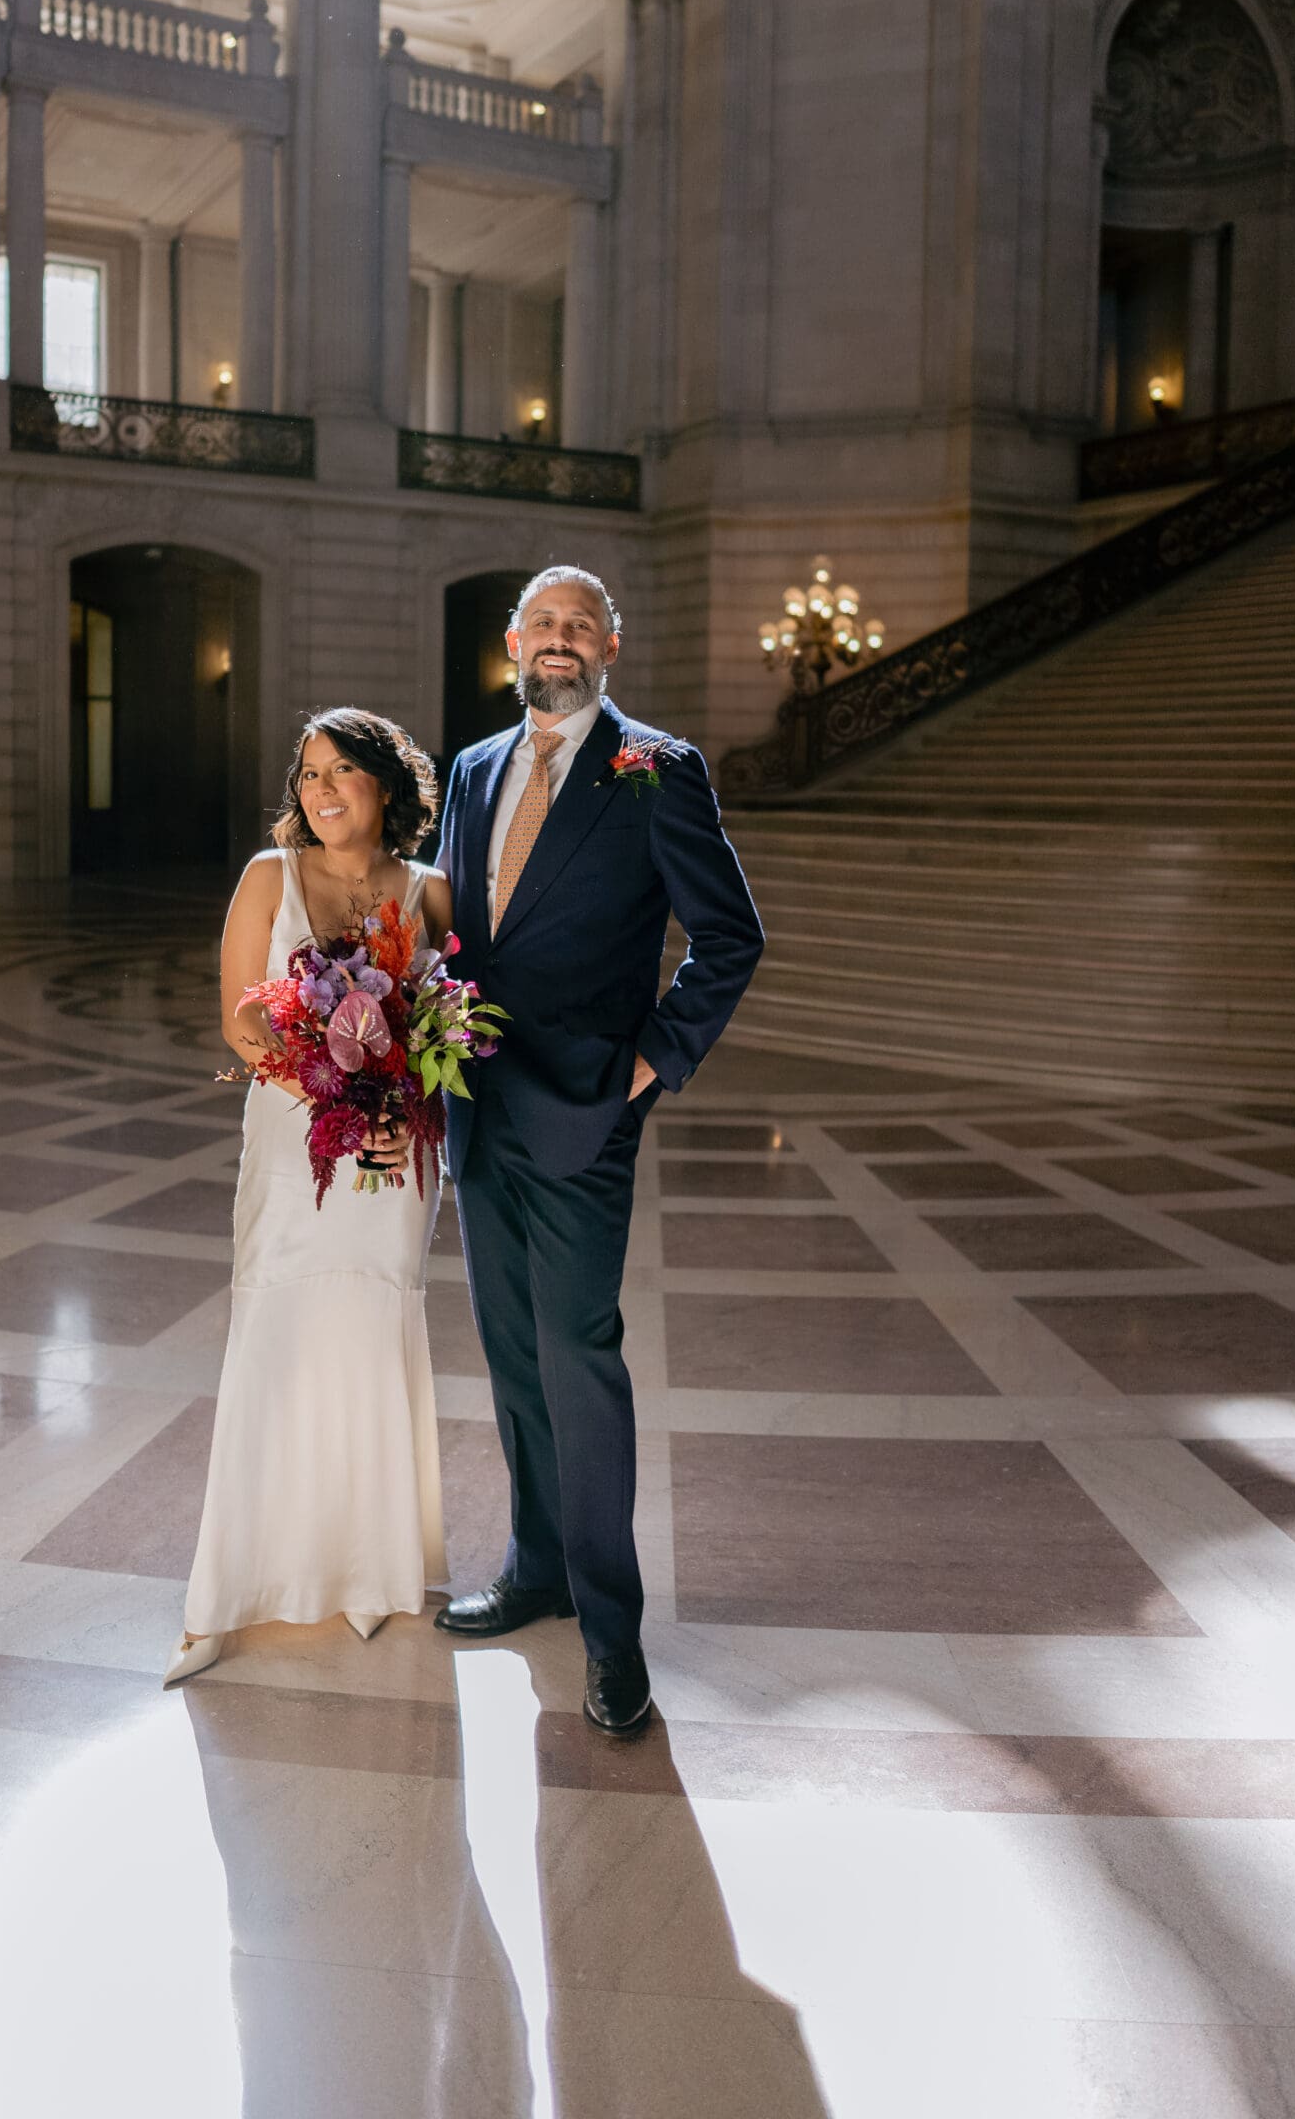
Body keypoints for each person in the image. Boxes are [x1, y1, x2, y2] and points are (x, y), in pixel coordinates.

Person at [434, 566, 764, 1735]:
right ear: (513, 641)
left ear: (610, 644)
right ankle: (535, 1570)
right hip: (477, 1104)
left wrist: (654, 1060)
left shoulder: (655, 769)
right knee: (512, 1355)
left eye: (583, 624)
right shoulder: (472, 768)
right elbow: (460, 931)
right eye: (545, 624)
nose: (561, 641)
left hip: (583, 1110)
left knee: (580, 1358)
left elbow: (730, 935)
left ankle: (614, 1637)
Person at [163, 709, 454, 1685]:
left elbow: (443, 1018)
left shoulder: (427, 893)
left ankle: (371, 1576)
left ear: (387, 787)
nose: (323, 790)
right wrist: (344, 1091)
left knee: (371, 1334)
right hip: (300, 1144)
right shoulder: (266, 876)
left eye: (345, 772)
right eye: (310, 773)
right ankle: (238, 1590)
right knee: (282, 1337)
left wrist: (401, 1096)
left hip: (391, 1159)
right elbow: (243, 1024)